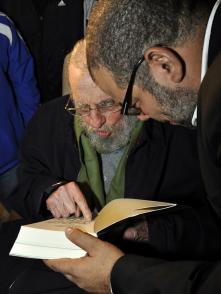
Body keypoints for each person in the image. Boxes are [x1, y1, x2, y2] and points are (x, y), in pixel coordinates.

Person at [43, 0, 221, 293]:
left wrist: (118, 275)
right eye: (82, 107)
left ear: (165, 64)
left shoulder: (214, 111)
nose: (140, 115)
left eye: (131, 102)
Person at [6, 39, 211, 294]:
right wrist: (48, 191)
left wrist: (150, 232)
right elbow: (26, 182)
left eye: (106, 104)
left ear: (128, 90)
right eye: (81, 106)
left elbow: (209, 225)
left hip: (144, 272)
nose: (94, 121)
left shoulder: (176, 133)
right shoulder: (49, 119)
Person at [0, 12, 40, 211]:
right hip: (11, 153)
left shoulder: (3, 25)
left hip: (10, 157)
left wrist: (28, 135)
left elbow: (26, 87)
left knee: (23, 222)